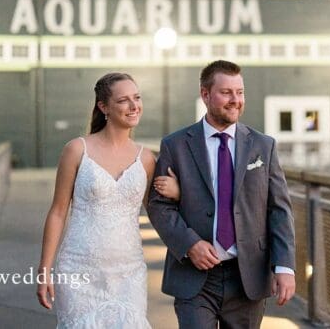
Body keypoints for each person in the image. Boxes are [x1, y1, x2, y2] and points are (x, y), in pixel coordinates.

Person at [147, 60, 296, 328]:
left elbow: (279, 210)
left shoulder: (263, 146)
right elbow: (159, 206)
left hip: (247, 277)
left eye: (240, 92)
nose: (235, 100)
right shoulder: (176, 145)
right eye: (226, 92)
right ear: (205, 94)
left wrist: (284, 267)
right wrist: (190, 243)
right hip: (194, 278)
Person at [36, 72, 180, 328]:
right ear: (103, 107)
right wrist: (44, 269)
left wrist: (177, 194)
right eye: (124, 100)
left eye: (137, 97)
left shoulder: (146, 159)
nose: (134, 106)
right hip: (79, 268)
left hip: (129, 272)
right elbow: (58, 212)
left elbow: (159, 213)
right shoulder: (77, 150)